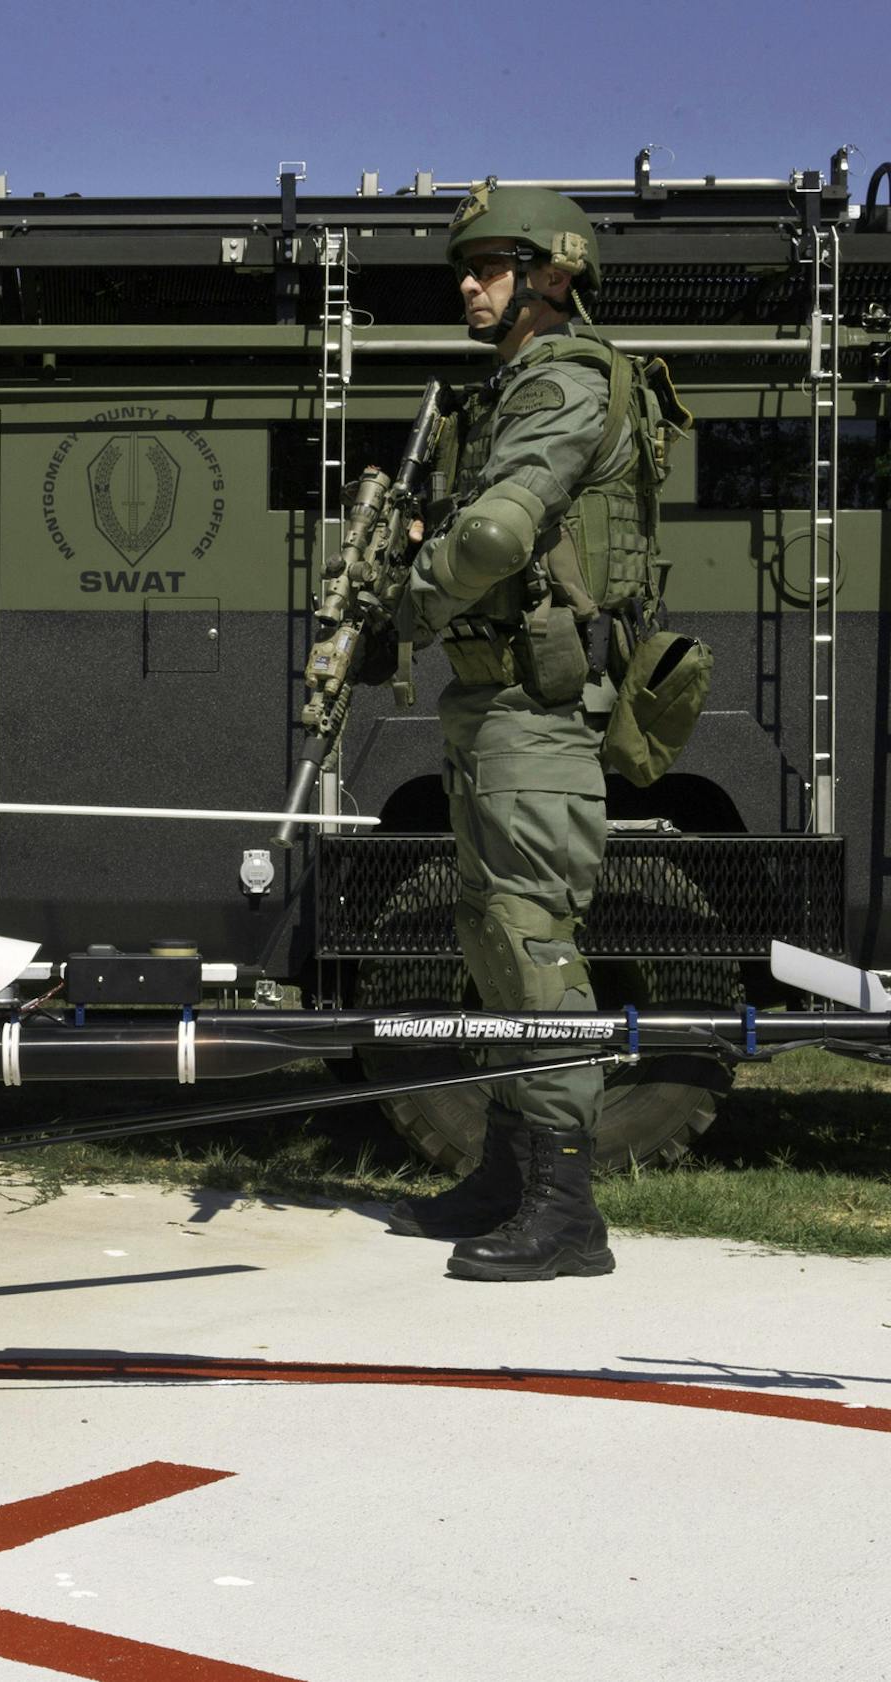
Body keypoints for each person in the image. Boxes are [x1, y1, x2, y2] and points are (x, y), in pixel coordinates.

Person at [383, 181, 664, 1282]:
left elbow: (499, 532)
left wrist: (407, 603)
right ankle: (509, 1171)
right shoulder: (514, 388)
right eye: (468, 264)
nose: (468, 281)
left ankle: (566, 1207)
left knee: (533, 943)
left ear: (553, 273)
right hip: (495, 707)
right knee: (492, 936)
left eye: (489, 264)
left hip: (535, 715)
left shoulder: (560, 382)